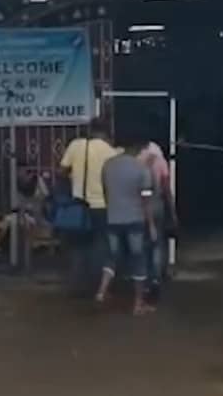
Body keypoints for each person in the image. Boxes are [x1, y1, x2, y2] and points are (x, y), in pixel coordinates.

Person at [96, 142, 156, 315]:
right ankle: (138, 304)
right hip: (135, 219)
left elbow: (105, 191)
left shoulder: (108, 165)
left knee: (112, 255)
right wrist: (150, 224)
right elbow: (146, 200)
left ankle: (101, 291)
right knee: (138, 259)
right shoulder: (141, 169)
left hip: (112, 218)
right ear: (140, 150)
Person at [58, 120, 119, 291]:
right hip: (102, 206)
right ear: (106, 133)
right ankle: (96, 285)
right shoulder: (110, 151)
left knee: (77, 247)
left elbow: (61, 170)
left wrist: (74, 178)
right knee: (100, 245)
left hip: (78, 205)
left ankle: (77, 284)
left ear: (90, 130)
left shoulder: (76, 145)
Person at [139, 137, 178, 295]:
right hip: (157, 204)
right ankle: (155, 277)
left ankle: (144, 277)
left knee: (142, 243)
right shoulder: (161, 161)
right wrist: (172, 210)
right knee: (157, 243)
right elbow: (166, 188)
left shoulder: (136, 160)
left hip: (140, 204)